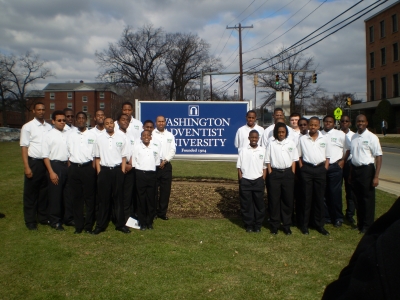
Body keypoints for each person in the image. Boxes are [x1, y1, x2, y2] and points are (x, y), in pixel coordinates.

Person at [92, 118, 130, 235]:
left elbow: (124, 157)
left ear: (114, 124)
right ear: (104, 125)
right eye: (107, 123)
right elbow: (97, 158)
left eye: (111, 123)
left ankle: (120, 224)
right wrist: (99, 172)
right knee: (103, 200)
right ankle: (101, 225)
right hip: (104, 171)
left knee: (118, 199)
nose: (109, 125)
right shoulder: (99, 139)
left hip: (117, 171)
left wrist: (122, 171)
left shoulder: (121, 137)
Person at [20, 102, 52, 230]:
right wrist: (27, 166)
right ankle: (30, 220)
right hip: (34, 162)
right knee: (31, 193)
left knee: (44, 192)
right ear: (34, 111)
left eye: (43, 109)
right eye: (38, 109)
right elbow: (24, 147)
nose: (41, 112)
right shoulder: (28, 127)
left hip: (46, 162)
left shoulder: (49, 127)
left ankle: (43, 217)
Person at [297, 116, 331, 236]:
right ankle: (304, 225)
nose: (312, 127)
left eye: (315, 125)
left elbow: (328, 156)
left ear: (319, 126)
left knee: (319, 198)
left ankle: (319, 225)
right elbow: (299, 156)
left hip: (320, 170)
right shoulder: (302, 139)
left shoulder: (324, 139)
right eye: (310, 125)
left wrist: (325, 168)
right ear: (308, 125)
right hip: (307, 169)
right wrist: (302, 168)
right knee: (306, 198)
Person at [350, 114, 382, 234]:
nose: (360, 123)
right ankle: (360, 223)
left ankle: (367, 226)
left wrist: (376, 176)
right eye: (358, 121)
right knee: (357, 198)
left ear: (367, 123)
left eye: (363, 121)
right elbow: (354, 156)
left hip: (367, 171)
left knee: (367, 199)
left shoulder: (372, 137)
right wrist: (350, 175)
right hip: (355, 170)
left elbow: (378, 157)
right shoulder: (354, 137)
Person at [265, 123, 299, 235]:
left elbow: (294, 159)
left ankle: (286, 225)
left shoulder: (291, 143)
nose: (281, 134)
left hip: (288, 174)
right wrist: (270, 173)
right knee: (274, 201)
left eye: (283, 132)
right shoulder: (271, 143)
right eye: (279, 132)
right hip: (275, 174)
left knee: (288, 201)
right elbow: (268, 160)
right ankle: (274, 225)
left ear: (286, 132)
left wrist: (292, 173)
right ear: (276, 132)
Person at [66, 112, 97, 234]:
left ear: (86, 120)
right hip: (74, 168)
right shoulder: (71, 135)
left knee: (89, 198)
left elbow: (95, 155)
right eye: (78, 118)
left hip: (88, 168)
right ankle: (78, 226)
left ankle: (88, 226)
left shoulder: (92, 135)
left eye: (83, 118)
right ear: (76, 120)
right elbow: (68, 153)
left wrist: (92, 169)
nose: (80, 120)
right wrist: (71, 168)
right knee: (76, 198)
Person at [42, 110, 69, 231]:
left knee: (66, 194)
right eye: (59, 120)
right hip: (55, 165)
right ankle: (54, 220)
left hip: (66, 166)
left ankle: (66, 218)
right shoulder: (48, 135)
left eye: (64, 120)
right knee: (55, 195)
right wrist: (51, 172)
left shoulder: (67, 133)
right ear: (53, 121)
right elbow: (45, 156)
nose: (62, 122)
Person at [321, 115, 350, 228]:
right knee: (323, 193)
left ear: (334, 123)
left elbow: (348, 149)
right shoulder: (319, 134)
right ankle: (327, 217)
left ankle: (338, 217)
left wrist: (343, 160)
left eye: (330, 122)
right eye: (326, 122)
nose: (328, 123)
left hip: (335, 167)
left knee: (335, 193)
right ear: (323, 122)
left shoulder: (340, 134)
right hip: (322, 167)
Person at [237, 130, 266, 233]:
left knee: (259, 204)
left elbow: (264, 167)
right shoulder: (244, 151)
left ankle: (258, 225)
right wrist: (242, 179)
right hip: (246, 180)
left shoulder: (262, 150)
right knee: (246, 204)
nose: (254, 139)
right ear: (249, 138)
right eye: (252, 137)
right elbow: (239, 167)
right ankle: (249, 225)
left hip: (258, 180)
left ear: (258, 138)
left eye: (255, 137)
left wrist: (262, 179)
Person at [132, 130, 160, 230]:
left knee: (151, 199)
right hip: (140, 174)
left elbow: (156, 161)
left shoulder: (155, 148)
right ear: (141, 137)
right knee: (141, 199)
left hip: (151, 174)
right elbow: (134, 161)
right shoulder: (137, 147)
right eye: (144, 135)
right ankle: (142, 222)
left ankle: (150, 222)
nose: (146, 137)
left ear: (151, 137)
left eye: (148, 135)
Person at [153, 115, 176, 220]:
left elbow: (173, 150)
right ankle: (153, 212)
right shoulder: (152, 134)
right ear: (156, 122)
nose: (161, 123)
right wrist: (157, 161)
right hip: (154, 165)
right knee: (153, 191)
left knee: (165, 191)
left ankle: (162, 213)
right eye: (159, 121)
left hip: (166, 165)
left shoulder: (170, 135)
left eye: (162, 121)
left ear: (165, 122)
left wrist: (165, 160)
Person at [117, 113, 136, 223]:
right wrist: (123, 165)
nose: (125, 121)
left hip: (130, 167)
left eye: (127, 120)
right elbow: (115, 153)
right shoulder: (115, 135)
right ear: (118, 121)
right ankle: (118, 217)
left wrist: (131, 163)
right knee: (119, 194)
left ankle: (127, 217)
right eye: (123, 119)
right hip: (119, 168)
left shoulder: (131, 136)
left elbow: (134, 151)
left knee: (128, 194)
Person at [340, 115, 356, 225]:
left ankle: (350, 215)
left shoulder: (354, 136)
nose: (344, 122)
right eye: (342, 121)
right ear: (340, 122)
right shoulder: (336, 133)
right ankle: (336, 214)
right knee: (335, 191)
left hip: (349, 164)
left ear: (349, 123)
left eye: (347, 121)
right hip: (337, 164)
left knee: (350, 191)